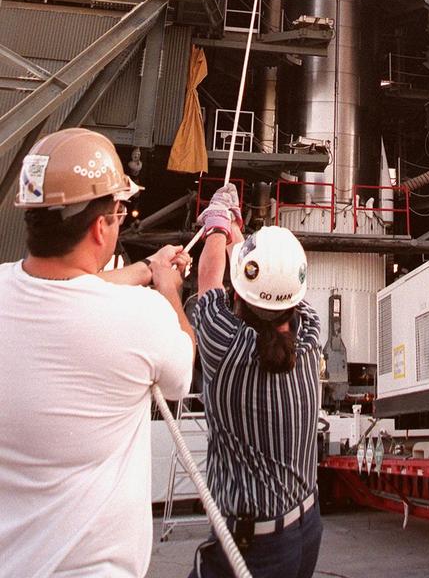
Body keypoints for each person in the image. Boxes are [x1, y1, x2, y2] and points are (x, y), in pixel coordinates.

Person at [0, 127, 195, 578]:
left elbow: (67, 288)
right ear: (100, 226)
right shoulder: (141, 317)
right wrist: (169, 290)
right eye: (120, 211)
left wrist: (147, 269)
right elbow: (182, 367)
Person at [189, 186, 322, 578]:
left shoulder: (225, 345)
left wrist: (218, 220)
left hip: (250, 549)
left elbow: (209, 279)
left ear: (240, 296)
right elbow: (269, 294)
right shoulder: (310, 335)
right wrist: (233, 238)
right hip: (306, 530)